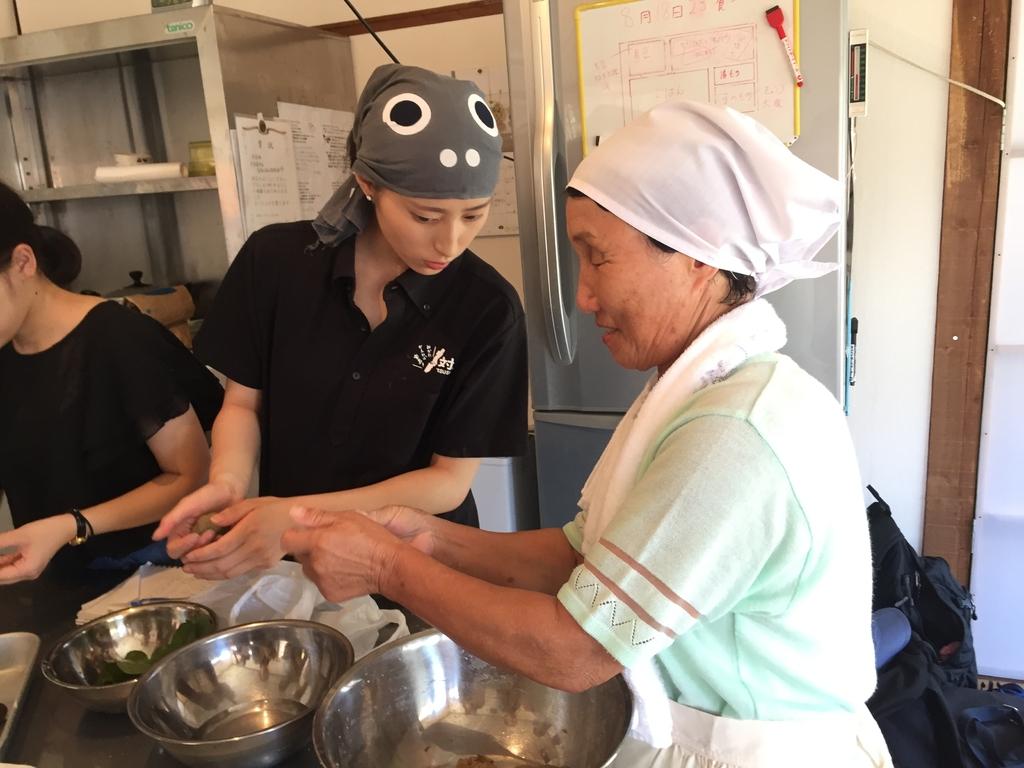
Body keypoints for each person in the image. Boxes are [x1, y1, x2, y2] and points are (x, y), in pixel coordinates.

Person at [279, 101, 893, 767]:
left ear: (697, 257)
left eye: (597, 258)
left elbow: (574, 650)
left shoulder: (735, 431)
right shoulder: (703, 388)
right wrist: (432, 539)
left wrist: (387, 566)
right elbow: (586, 559)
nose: (582, 296)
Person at [154, 64, 528, 580]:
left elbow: (447, 482)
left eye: (474, 214)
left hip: (417, 564)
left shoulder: (487, 308)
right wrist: (229, 482)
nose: (450, 242)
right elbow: (242, 404)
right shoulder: (276, 262)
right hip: (289, 558)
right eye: (425, 216)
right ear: (367, 184)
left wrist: (296, 515)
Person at [0, 182, 224, 583]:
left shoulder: (116, 339)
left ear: (22, 262)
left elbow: (190, 474)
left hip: (151, 571)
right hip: (50, 577)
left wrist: (73, 526)